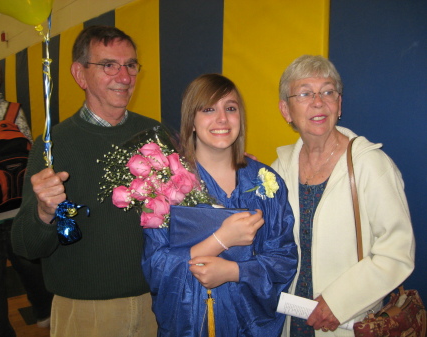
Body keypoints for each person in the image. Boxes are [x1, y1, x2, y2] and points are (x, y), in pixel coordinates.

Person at [11, 26, 160, 337]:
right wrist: (43, 212)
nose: (124, 77)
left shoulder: (155, 134)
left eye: (130, 65)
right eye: (109, 65)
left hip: (156, 302)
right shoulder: (54, 146)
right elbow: (25, 245)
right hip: (86, 311)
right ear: (80, 74)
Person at [142, 74, 298, 336]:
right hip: (189, 323)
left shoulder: (265, 184)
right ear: (191, 120)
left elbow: (283, 260)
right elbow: (155, 267)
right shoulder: (165, 187)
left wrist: (234, 271)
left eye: (231, 108)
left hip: (249, 324)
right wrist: (220, 240)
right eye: (208, 109)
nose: (222, 118)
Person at [271, 55, 415, 336]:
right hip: (292, 320)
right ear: (286, 110)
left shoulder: (369, 165)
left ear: (339, 104)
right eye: (304, 93)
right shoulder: (278, 169)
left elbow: (396, 253)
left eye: (327, 91)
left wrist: (338, 302)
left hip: (347, 321)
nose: (318, 101)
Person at [0, 57, 53, 336]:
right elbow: (31, 155)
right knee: (26, 261)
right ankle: (44, 311)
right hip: (16, 203)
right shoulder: (14, 111)